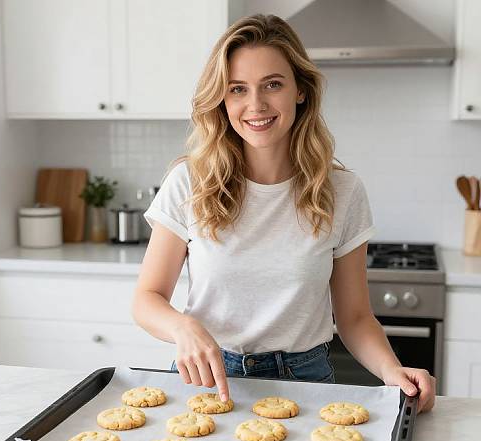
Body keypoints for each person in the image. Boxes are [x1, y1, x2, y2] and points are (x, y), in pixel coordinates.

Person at [132, 14, 436, 414]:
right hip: (206, 380)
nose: (255, 105)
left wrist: (392, 370)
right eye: (237, 89)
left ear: (300, 91)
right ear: (222, 100)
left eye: (272, 84)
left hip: (306, 380)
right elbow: (146, 299)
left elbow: (356, 317)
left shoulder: (342, 192)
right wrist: (183, 327)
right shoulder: (191, 181)